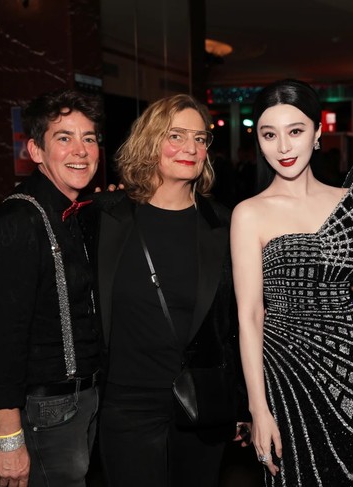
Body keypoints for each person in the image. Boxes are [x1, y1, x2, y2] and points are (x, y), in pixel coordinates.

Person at [231, 79, 353, 486]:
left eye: (295, 131)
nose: (283, 147)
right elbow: (250, 315)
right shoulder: (249, 213)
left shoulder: (350, 202)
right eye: (269, 135)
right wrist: (258, 408)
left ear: (317, 133)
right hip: (285, 372)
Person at [94, 94, 249, 487]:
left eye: (199, 138)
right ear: (149, 141)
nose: (191, 148)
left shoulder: (225, 225)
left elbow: (238, 322)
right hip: (125, 404)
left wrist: (241, 403)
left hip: (200, 402)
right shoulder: (104, 216)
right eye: (176, 135)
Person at [0, 89, 104, 487]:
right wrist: (9, 440)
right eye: (64, 138)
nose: (80, 150)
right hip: (48, 408)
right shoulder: (21, 220)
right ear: (35, 150)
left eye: (88, 138)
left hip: (83, 401)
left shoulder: (75, 212)